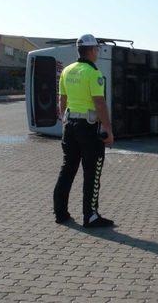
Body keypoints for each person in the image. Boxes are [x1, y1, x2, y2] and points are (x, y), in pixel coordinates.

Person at [53, 34, 115, 228]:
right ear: (91, 50)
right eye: (96, 49)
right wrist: (108, 128)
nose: (97, 52)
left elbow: (62, 100)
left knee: (67, 169)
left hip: (69, 126)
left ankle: (60, 213)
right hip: (88, 129)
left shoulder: (67, 71)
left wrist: (65, 120)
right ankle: (90, 216)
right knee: (92, 172)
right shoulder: (93, 73)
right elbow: (99, 103)